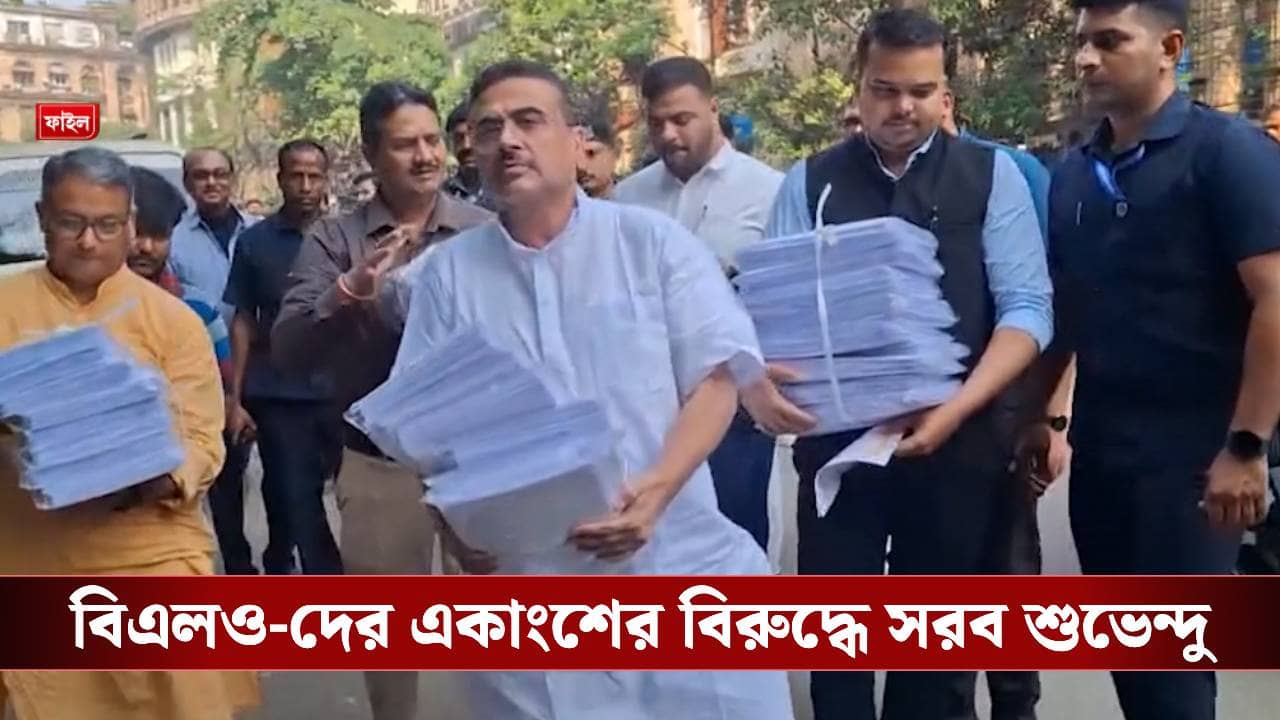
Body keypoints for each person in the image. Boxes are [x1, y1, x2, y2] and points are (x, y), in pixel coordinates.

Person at [394, 57, 793, 720]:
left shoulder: (651, 243)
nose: (508, 140)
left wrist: (656, 491)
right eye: (489, 129)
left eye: (529, 121)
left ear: (576, 140)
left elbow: (718, 374)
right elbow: (423, 426)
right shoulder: (446, 278)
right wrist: (451, 526)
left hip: (675, 560)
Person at [757, 9, 1051, 720]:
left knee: (935, 658)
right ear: (858, 87)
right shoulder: (810, 184)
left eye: (921, 91)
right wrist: (766, 383)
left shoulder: (992, 177)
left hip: (957, 445)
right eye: (885, 90)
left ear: (945, 92)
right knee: (838, 646)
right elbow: (774, 314)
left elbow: (1027, 310)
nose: (903, 108)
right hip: (839, 452)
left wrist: (956, 409)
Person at [1022, 2, 1280, 719]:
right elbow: (1069, 307)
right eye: (1082, 43)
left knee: (1172, 671)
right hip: (1106, 455)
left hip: (1197, 461)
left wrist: (1247, 446)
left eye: (1110, 42)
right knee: (1132, 660)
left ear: (1169, 47)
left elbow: (1275, 301)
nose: (1086, 59)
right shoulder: (1076, 171)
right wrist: (1046, 416)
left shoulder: (1228, 153)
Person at [0, 147, 259, 719]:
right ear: (42, 218)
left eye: (107, 225)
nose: (88, 242)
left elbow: (202, 443)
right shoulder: (5, 307)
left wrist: (149, 480)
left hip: (149, 550)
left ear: (131, 223)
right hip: (28, 554)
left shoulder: (173, 321)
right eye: (71, 223)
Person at [272, 81, 491, 720]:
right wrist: (350, 290)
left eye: (431, 140)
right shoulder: (334, 240)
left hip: (479, 460)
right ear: (371, 154)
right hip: (378, 464)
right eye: (403, 144)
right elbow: (287, 346)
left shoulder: (484, 231)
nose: (424, 156)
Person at [614, 56, 784, 552]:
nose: (668, 134)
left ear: (713, 109)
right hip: (648, 411)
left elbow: (782, 298)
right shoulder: (625, 201)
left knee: (734, 542)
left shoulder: (769, 191)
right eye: (656, 123)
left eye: (681, 119)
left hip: (735, 407)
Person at [940, 90, 1060, 720]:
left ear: (943, 98)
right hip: (929, 411)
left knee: (1007, 568)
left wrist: (1051, 416)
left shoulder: (1009, 171)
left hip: (1006, 401)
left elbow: (1049, 297)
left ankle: (1016, 704)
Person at [224, 139, 343, 576]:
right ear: (280, 179)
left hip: (341, 390)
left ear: (326, 181)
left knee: (358, 495)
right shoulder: (255, 243)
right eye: (297, 176)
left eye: (315, 176)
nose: (306, 186)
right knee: (297, 498)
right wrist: (235, 398)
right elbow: (243, 319)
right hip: (279, 394)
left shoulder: (346, 237)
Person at [169, 146, 262, 575]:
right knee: (224, 476)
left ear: (232, 178)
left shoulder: (260, 232)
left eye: (220, 174)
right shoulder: (173, 241)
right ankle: (238, 566)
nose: (212, 182)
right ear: (188, 183)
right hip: (208, 375)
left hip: (265, 366)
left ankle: (279, 556)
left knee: (280, 477)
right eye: (201, 175)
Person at [125, 165, 233, 388]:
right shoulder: (80, 308)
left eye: (158, 236)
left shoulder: (200, 310)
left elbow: (224, 388)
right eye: (138, 234)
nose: (146, 247)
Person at [443, 100, 493, 208]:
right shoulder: (441, 195)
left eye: (473, 136)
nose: (466, 145)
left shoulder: (511, 189)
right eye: (459, 138)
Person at [576, 113, 620, 198]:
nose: (581, 166)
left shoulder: (637, 199)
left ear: (614, 153)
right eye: (575, 157)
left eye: (591, 154)